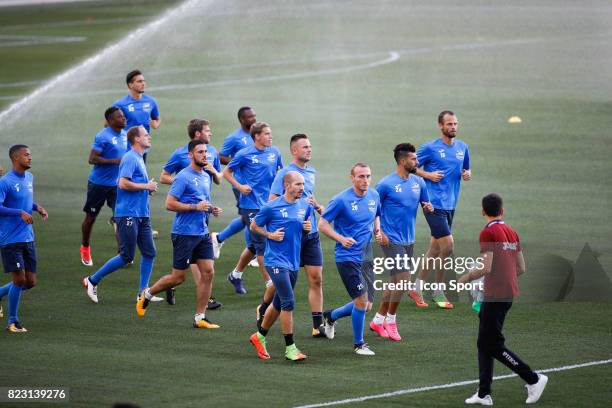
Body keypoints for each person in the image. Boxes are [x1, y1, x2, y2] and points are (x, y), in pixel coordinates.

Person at [458, 193, 548, 405]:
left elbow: (486, 267)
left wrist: (466, 277)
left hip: (494, 296)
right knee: (484, 343)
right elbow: (521, 268)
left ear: (482, 211)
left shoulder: (488, 233)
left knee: (494, 345)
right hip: (507, 294)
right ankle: (483, 393)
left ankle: (533, 379)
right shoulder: (512, 232)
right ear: (502, 211)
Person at [137, 140, 222, 329]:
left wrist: (211, 209)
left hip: (202, 233)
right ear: (191, 155)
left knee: (208, 272)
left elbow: (202, 202)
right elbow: (169, 204)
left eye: (206, 152)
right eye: (200, 152)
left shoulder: (206, 176)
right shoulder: (183, 177)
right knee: (178, 278)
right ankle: (148, 293)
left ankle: (200, 317)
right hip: (184, 234)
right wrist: (195, 207)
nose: (205, 155)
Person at [82, 126, 160, 303]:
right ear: (137, 139)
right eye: (146, 135)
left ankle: (142, 293)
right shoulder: (131, 157)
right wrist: (146, 186)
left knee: (149, 253)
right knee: (126, 256)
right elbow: (123, 184)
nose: (149, 137)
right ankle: (92, 280)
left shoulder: (139, 158)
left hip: (142, 214)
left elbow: (126, 182)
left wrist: (146, 189)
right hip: (128, 214)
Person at [369, 143, 433, 342]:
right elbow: (372, 210)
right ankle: (391, 320)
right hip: (391, 239)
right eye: (414, 159)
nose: (417, 162)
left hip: (408, 239)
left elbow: (425, 202)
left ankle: (377, 320)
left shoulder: (419, 183)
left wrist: (428, 206)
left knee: (396, 281)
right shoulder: (386, 184)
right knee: (404, 278)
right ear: (403, 161)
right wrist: (379, 232)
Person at [319, 163, 382, 356]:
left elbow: (376, 215)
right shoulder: (341, 200)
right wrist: (340, 238)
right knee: (361, 302)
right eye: (361, 176)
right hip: (347, 258)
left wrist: (378, 230)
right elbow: (322, 224)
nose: (365, 180)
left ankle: (331, 316)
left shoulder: (374, 195)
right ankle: (358, 344)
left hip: (366, 256)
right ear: (352, 177)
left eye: (368, 176)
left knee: (367, 305)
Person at [160, 118, 222, 309]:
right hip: (188, 212)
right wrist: (184, 184)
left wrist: (212, 172)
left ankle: (186, 291)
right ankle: (197, 293)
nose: (210, 133)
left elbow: (219, 179)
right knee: (192, 261)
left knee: (200, 260)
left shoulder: (212, 153)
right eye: (207, 130)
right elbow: (164, 177)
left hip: (204, 212)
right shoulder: (180, 155)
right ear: (197, 134)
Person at [248, 171, 312, 361]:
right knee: (288, 302)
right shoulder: (271, 207)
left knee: (277, 304)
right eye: (298, 184)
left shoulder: (304, 206)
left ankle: (259, 336)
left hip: (293, 261)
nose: (302, 188)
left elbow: (301, 231)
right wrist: (270, 235)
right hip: (275, 261)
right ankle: (290, 348)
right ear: (287, 185)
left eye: (303, 184)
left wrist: (305, 229)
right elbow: (254, 226)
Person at [411, 110, 471, 309]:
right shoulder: (430, 148)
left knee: (435, 249)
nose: (453, 127)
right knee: (448, 246)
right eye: (449, 124)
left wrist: (466, 173)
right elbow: (411, 167)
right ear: (440, 126)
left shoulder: (463, 148)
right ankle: (438, 289)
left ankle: (416, 286)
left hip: (451, 204)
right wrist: (427, 175)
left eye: (455, 124)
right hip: (432, 204)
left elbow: (465, 168)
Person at [268, 134, 327, 338]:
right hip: (291, 237)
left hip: (311, 234)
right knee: (282, 283)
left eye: (310, 146)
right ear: (294, 150)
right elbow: (273, 201)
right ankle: (264, 307)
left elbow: (307, 197)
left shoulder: (311, 171)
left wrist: (317, 207)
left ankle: (317, 325)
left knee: (316, 278)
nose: (309, 150)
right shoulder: (285, 174)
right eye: (305, 147)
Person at [222, 122, 282, 300]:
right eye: (267, 134)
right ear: (257, 136)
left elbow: (279, 172)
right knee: (262, 245)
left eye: (271, 133)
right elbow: (227, 172)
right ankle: (269, 283)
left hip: (269, 204)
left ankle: (236, 275)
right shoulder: (245, 154)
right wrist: (240, 187)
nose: (271, 137)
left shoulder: (275, 152)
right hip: (251, 206)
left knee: (254, 245)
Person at [0, 145, 48, 332]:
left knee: (30, 282)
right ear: (15, 158)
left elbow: (25, 199)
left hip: (28, 237)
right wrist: (19, 212)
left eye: (30, 154)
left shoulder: (29, 177)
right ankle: (13, 322)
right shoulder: (5, 182)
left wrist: (37, 207)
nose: (30, 158)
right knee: (19, 280)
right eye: (26, 155)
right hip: (10, 239)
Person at [80, 107, 128, 267]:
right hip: (98, 185)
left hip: (116, 185)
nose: (123, 118)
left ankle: (122, 254)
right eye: (120, 117)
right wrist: (113, 161)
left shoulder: (124, 135)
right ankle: (85, 247)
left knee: (120, 218)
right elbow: (92, 159)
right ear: (111, 121)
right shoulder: (103, 136)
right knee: (90, 218)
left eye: (123, 116)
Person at [211, 106, 257, 260]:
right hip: (241, 184)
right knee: (251, 216)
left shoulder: (258, 134)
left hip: (258, 183)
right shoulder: (234, 138)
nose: (253, 119)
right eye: (250, 117)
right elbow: (221, 156)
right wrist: (240, 161)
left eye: (254, 116)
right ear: (242, 119)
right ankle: (255, 252)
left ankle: (218, 238)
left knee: (247, 218)